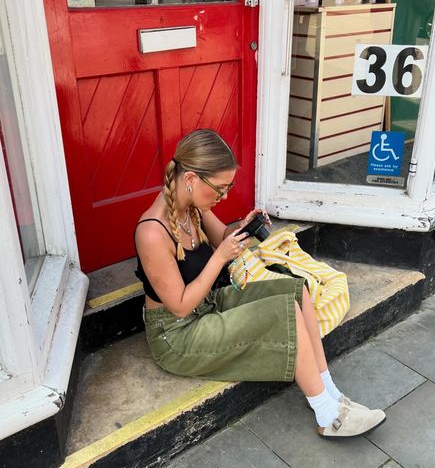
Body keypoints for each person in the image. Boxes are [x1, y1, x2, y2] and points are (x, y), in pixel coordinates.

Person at [135, 129, 386, 438]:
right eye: (220, 188)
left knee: (297, 291)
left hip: (207, 305)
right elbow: (180, 304)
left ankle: (331, 394)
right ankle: (327, 415)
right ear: (191, 179)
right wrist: (218, 259)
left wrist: (244, 228)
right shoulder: (151, 232)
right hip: (177, 334)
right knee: (284, 313)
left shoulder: (192, 206)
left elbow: (223, 239)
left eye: (228, 188)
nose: (224, 196)